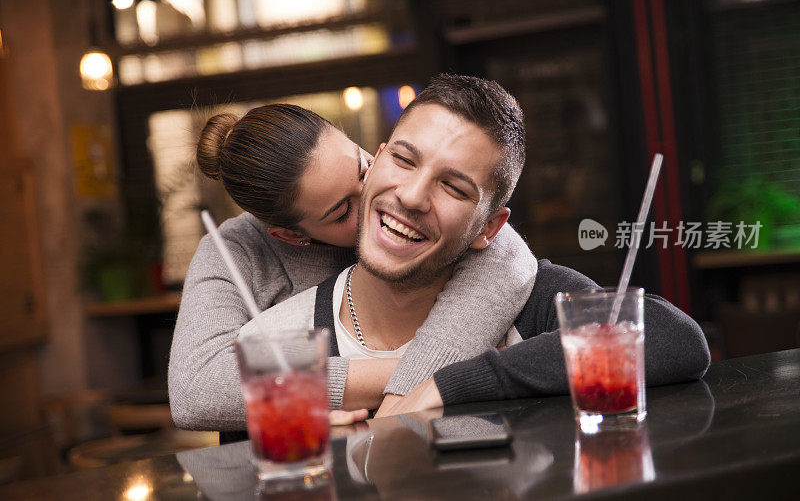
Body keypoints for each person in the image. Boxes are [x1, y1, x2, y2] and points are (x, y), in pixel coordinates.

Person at [240, 74, 711, 419]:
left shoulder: (534, 305)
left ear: (491, 227)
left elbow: (677, 340)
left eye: (454, 187)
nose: (411, 195)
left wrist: (451, 384)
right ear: (374, 162)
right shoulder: (276, 341)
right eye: (404, 160)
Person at [169, 103, 537, 432]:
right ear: (292, 236)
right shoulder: (235, 252)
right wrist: (430, 376)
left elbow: (507, 254)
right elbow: (197, 387)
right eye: (343, 211)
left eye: (363, 169)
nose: (392, 202)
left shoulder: (414, 192)